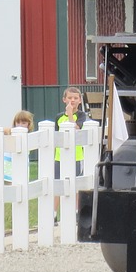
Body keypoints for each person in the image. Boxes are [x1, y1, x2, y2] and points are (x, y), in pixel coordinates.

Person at [54, 87, 90, 220]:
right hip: (59, 156)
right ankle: (54, 214)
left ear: (80, 100)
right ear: (64, 100)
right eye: (70, 98)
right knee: (57, 184)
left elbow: (75, 128)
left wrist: (70, 114)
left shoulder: (81, 115)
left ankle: (76, 213)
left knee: (76, 185)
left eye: (75, 98)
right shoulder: (58, 117)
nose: (72, 100)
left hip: (76, 156)